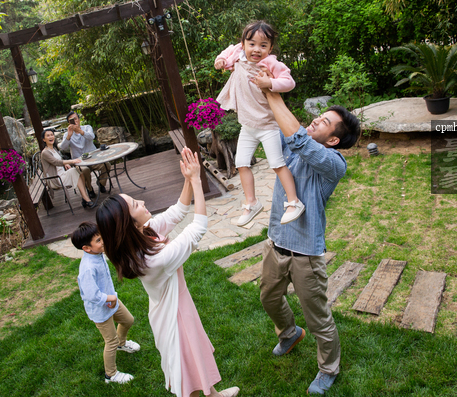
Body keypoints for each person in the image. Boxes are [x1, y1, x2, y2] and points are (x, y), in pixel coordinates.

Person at [96, 148, 239, 397]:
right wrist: (197, 182)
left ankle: (214, 395)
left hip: (179, 306)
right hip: (173, 316)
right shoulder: (152, 261)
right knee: (187, 371)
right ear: (129, 223)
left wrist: (187, 179)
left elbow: (177, 212)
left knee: (195, 358)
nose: (142, 202)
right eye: (135, 204)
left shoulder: (142, 234)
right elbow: (198, 228)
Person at [250, 76, 361, 395]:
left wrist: (272, 91)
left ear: (334, 140)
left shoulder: (333, 164)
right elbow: (273, 127)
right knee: (269, 298)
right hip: (276, 244)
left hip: (306, 257)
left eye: (324, 122)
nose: (315, 120)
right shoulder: (291, 147)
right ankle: (289, 333)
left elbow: (298, 138)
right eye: (319, 116)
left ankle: (328, 368)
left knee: (318, 318)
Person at [215, 20, 303, 227]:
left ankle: (294, 202)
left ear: (270, 49)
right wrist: (220, 60)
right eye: (252, 44)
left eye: (263, 45)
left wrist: (270, 82)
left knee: (277, 164)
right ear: (243, 44)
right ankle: (252, 203)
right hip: (247, 125)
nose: (257, 49)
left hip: (267, 125)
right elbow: (226, 53)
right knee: (241, 163)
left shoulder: (270, 63)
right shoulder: (238, 55)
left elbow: (289, 82)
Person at [71, 222, 141, 384]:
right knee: (111, 341)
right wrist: (110, 299)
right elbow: (91, 295)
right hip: (100, 309)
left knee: (128, 320)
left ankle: (121, 344)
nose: (103, 241)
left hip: (110, 299)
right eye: (98, 240)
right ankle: (111, 374)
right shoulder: (88, 268)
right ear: (86, 248)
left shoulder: (97, 254)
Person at [40, 128, 96, 209]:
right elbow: (56, 162)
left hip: (62, 174)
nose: (51, 137)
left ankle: (85, 198)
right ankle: (86, 199)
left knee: (80, 173)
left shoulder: (54, 149)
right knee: (74, 171)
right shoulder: (45, 152)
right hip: (55, 178)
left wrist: (65, 164)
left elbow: (59, 160)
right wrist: (72, 161)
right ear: (44, 139)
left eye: (52, 135)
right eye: (48, 136)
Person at [59, 111, 111, 196]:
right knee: (85, 170)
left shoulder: (87, 127)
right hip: (79, 162)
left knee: (107, 164)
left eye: (75, 119)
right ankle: (90, 189)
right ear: (69, 123)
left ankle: (101, 183)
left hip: (93, 158)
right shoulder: (67, 134)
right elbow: (63, 148)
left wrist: (80, 131)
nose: (74, 121)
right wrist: (68, 136)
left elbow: (92, 137)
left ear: (79, 119)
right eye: (71, 120)